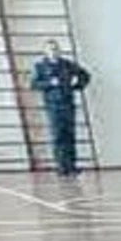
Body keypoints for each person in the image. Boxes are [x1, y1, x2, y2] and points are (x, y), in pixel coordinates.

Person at [30, 39, 91, 177]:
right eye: (50, 49)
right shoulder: (40, 66)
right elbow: (34, 84)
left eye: (55, 49)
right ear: (45, 51)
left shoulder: (67, 64)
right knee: (58, 137)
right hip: (53, 106)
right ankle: (61, 167)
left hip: (68, 104)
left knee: (70, 136)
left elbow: (85, 75)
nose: (53, 51)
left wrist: (76, 86)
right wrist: (50, 83)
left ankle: (72, 166)